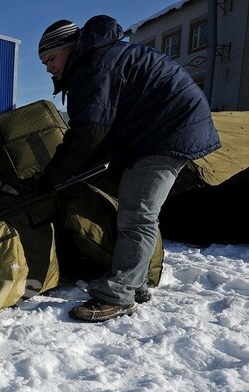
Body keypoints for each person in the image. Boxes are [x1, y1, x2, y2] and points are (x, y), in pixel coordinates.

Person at [37, 15, 220, 322]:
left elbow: (88, 133)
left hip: (168, 132)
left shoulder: (94, 66)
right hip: (154, 131)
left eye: (51, 58)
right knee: (135, 208)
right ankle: (133, 282)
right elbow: (101, 132)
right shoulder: (98, 59)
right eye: (44, 62)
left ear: (69, 49)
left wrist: (51, 179)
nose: (48, 67)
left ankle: (118, 295)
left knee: (138, 214)